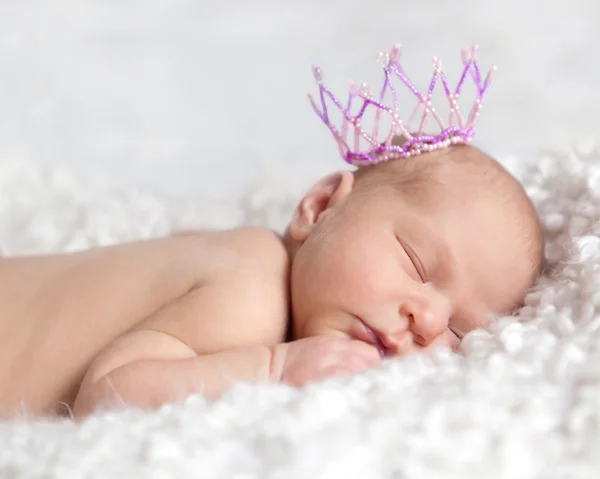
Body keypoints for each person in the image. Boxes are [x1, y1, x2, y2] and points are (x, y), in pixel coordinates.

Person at [0, 46, 544, 419]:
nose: (427, 321)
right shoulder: (253, 293)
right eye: (417, 264)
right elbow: (107, 396)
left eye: (459, 331)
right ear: (320, 205)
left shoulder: (240, 260)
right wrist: (275, 367)